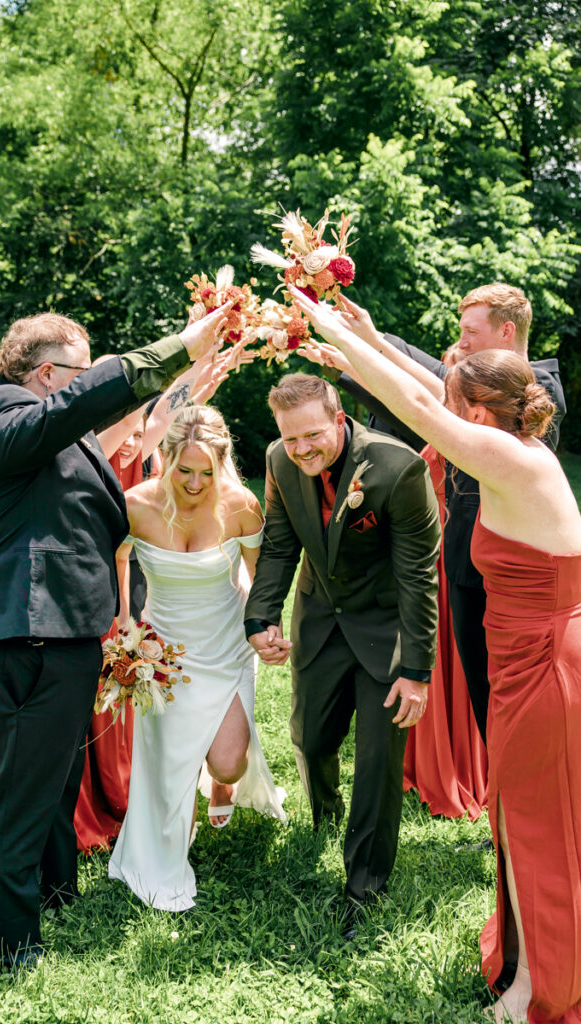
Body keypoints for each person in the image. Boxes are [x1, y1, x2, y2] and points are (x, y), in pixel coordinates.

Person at [291, 284, 581, 1024]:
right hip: (527, 659)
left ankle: (537, 992)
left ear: (477, 413)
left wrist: (322, 318)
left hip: (544, 667)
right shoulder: (507, 443)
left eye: (456, 401)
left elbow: (423, 410)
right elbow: (427, 392)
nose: (442, 408)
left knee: (536, 824)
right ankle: (523, 962)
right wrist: (354, 339)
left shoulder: (512, 463)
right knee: (516, 819)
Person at [0, 303, 231, 967]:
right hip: (28, 636)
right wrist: (181, 342)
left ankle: (55, 891)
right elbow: (94, 402)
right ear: (49, 374)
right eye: (80, 373)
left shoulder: (48, 443)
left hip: (62, 638)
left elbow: (131, 425)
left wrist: (195, 373)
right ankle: (9, 947)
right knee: (19, 794)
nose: (85, 389)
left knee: (51, 775)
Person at [243, 372, 441, 937]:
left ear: (338, 418)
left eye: (311, 435)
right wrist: (261, 615)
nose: (301, 449)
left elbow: (417, 578)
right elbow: (280, 543)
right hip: (319, 621)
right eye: (290, 437)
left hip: (385, 629)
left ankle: (364, 889)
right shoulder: (280, 460)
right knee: (310, 737)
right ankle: (326, 816)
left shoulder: (399, 468)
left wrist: (417, 670)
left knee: (377, 764)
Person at [325, 284, 566, 746]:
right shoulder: (481, 406)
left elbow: (426, 401)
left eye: (471, 331)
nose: (463, 339)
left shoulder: (526, 404)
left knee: (520, 723)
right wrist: (369, 343)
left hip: (519, 591)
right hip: (469, 566)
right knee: (487, 706)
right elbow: (437, 388)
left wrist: (351, 339)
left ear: (507, 330)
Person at [299, 339, 488, 820]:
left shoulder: (451, 423)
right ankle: (419, 758)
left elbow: (413, 400)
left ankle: (440, 763)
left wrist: (349, 354)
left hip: (425, 558)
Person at [108, 405, 286, 912]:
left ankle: (222, 790)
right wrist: (125, 617)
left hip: (226, 647)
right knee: (169, 771)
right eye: (184, 470)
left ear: (221, 463)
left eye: (205, 472)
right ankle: (168, 855)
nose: (193, 482)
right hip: (163, 653)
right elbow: (119, 556)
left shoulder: (241, 506)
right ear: (164, 459)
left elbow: (259, 580)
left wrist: (263, 629)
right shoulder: (136, 504)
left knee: (227, 764)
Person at [74, 348, 249, 853]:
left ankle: (188, 784)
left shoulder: (145, 456)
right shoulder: (90, 450)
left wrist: (203, 360)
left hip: (167, 603)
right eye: (127, 434)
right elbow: (146, 415)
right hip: (111, 597)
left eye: (139, 439)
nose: (134, 445)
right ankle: (128, 802)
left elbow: (161, 421)